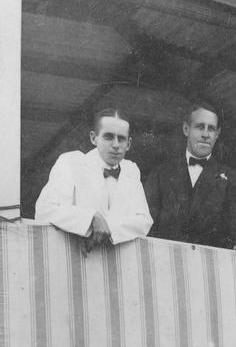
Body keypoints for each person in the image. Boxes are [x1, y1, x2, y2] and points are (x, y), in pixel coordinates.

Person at [35, 108, 153, 255]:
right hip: (76, 258)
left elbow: (144, 220)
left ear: (128, 144)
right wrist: (91, 218)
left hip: (117, 261)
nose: (116, 145)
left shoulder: (131, 171)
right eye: (109, 137)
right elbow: (45, 209)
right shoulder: (72, 162)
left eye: (121, 138)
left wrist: (108, 228)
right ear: (93, 138)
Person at [144, 102, 236, 253]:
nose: (205, 134)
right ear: (186, 129)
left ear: (217, 134)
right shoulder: (160, 173)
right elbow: (146, 226)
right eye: (199, 127)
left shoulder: (231, 179)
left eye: (211, 129)